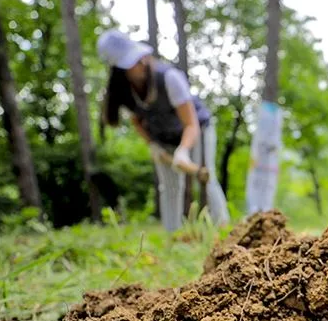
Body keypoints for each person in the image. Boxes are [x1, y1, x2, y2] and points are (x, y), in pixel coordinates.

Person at [97, 29, 229, 231]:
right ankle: (172, 235)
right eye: (132, 62)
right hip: (163, 138)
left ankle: (224, 228)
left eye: (139, 58)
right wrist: (153, 145)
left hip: (196, 130)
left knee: (206, 179)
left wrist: (183, 151)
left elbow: (191, 124)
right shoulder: (123, 91)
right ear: (119, 69)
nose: (141, 63)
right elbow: (138, 122)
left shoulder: (169, 78)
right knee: (170, 187)